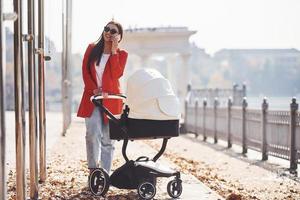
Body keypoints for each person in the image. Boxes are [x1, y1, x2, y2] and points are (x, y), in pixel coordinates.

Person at [77, 20, 128, 176]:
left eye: (113, 31)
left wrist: (113, 51)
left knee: (108, 139)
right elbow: (85, 71)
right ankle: (93, 171)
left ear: (119, 36)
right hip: (92, 98)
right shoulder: (92, 48)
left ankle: (104, 175)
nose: (108, 33)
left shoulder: (122, 54)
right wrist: (94, 89)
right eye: (107, 29)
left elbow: (116, 74)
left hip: (112, 100)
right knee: (92, 133)